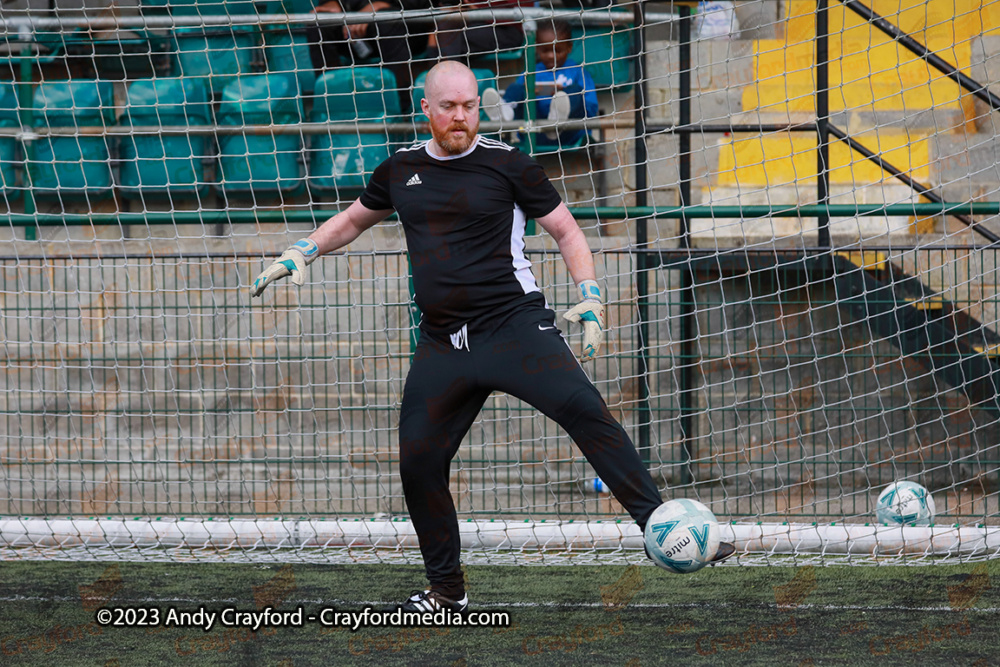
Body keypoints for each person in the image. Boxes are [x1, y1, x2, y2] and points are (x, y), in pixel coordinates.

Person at [251, 61, 735, 614]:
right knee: (419, 460)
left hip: (513, 328)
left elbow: (566, 229)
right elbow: (356, 218)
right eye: (450, 107)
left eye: (470, 107)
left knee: (584, 409)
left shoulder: (509, 164)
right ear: (427, 109)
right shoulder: (399, 168)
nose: (461, 118)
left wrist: (592, 294)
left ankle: (661, 525)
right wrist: (302, 250)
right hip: (442, 344)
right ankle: (446, 591)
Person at [482, 19, 598, 146]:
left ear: (569, 48)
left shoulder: (578, 72)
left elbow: (590, 108)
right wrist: (531, 93)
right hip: (534, 132)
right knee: (517, 88)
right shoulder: (530, 72)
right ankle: (503, 115)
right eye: (545, 51)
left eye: (557, 51)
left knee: (575, 91)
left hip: (567, 132)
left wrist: (564, 98)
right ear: (536, 48)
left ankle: (557, 120)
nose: (550, 56)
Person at [306, 0, 431, 98]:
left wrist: (378, 6)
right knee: (318, 22)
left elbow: (424, 5)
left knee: (388, 21)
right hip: (352, 26)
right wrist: (335, 3)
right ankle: (333, 98)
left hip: (404, 26)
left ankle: (401, 106)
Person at [428, 0, 530, 61]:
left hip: (507, 28)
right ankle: (440, 79)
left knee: (447, 36)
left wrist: (478, 11)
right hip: (473, 22)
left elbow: (518, 14)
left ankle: (446, 79)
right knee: (439, 32)